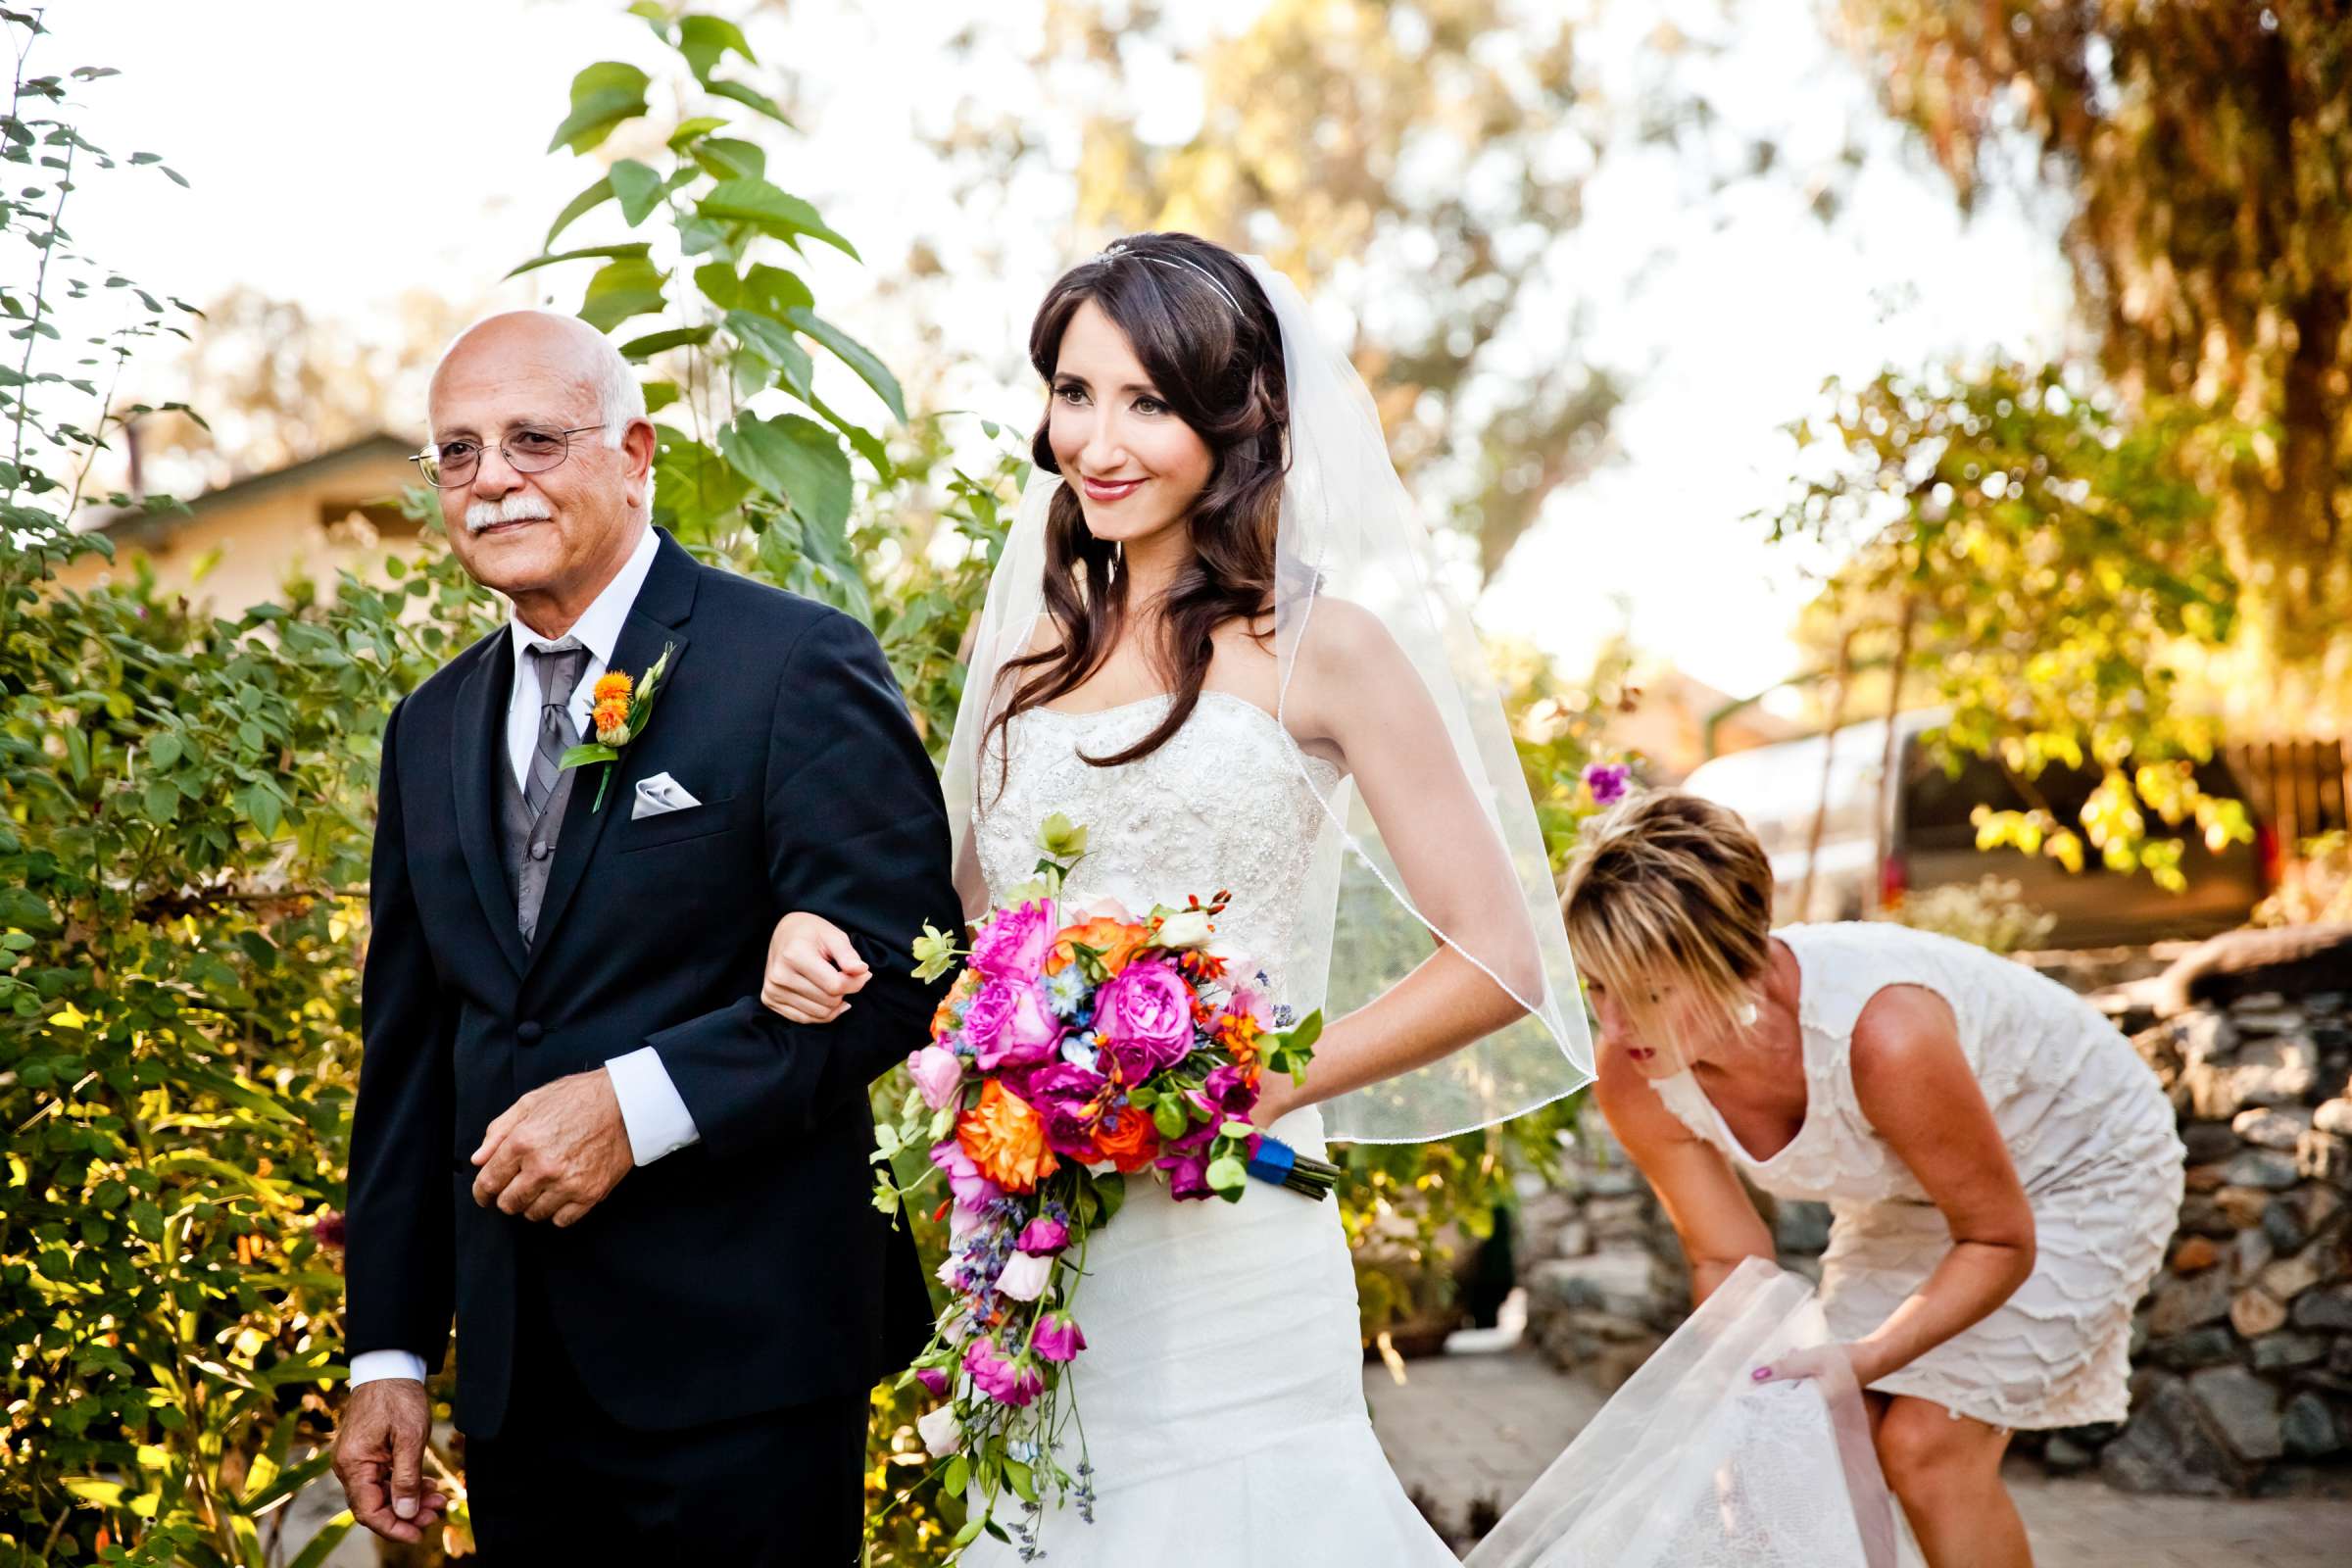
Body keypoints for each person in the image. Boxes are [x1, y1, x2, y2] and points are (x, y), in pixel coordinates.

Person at [759, 232, 1593, 1562]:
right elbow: (954, 949)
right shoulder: (1027, 660)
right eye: (1075, 393)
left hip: (1235, 1240)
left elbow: (1499, 959)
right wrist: (817, 942)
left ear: (1235, 418)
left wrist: (1257, 1083)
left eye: (1146, 401)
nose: (1098, 439)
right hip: (1041, 1251)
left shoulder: (1328, 650)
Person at [331, 311, 957, 1562]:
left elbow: (907, 962)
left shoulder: (792, 662)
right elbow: (409, 1057)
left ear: (634, 452)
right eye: (457, 451)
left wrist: (636, 1103)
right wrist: (390, 1350)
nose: (491, 476)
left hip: (748, 1362)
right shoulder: (430, 726)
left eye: (531, 439)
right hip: (520, 1387)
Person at [1557, 789, 2183, 1568]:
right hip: (1910, 1192)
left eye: (1649, 993)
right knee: (1803, 1442)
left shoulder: (1885, 1034)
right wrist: (1736, 1404)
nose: (1614, 1026)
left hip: (2079, 1166)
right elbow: (1726, 1260)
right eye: (1595, 986)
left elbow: (1995, 1236)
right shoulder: (1633, 1074)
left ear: (1737, 965)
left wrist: (1863, 1358)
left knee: (1925, 1447)